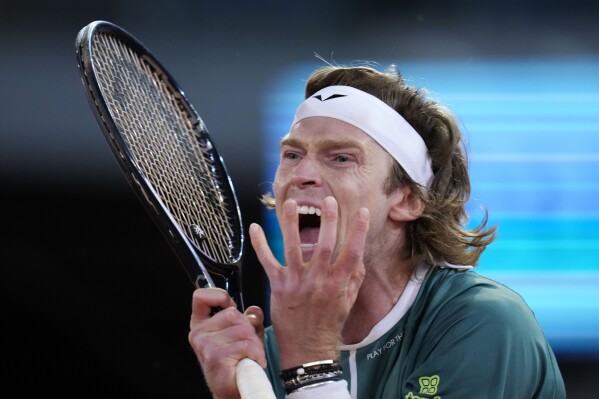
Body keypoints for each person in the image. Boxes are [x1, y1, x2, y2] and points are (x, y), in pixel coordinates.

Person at [188, 64, 566, 398]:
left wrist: (310, 366)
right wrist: (237, 394)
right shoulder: (274, 349)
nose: (301, 175)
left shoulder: (484, 323)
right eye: (292, 155)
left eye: (341, 158)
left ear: (407, 200)